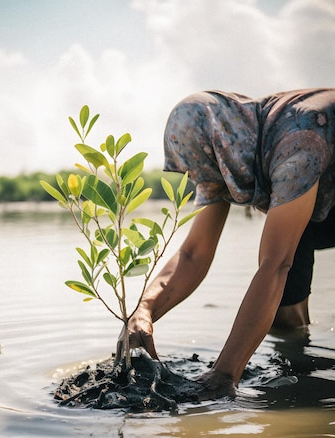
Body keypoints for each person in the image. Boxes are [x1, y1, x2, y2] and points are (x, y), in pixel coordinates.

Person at [117, 88, 335, 398]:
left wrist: (225, 373)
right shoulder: (232, 148)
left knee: (277, 262)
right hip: (319, 200)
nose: (201, 179)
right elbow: (193, 254)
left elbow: (275, 265)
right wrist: (144, 310)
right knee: (284, 321)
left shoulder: (299, 140)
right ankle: (303, 368)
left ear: (218, 147)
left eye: (202, 167)